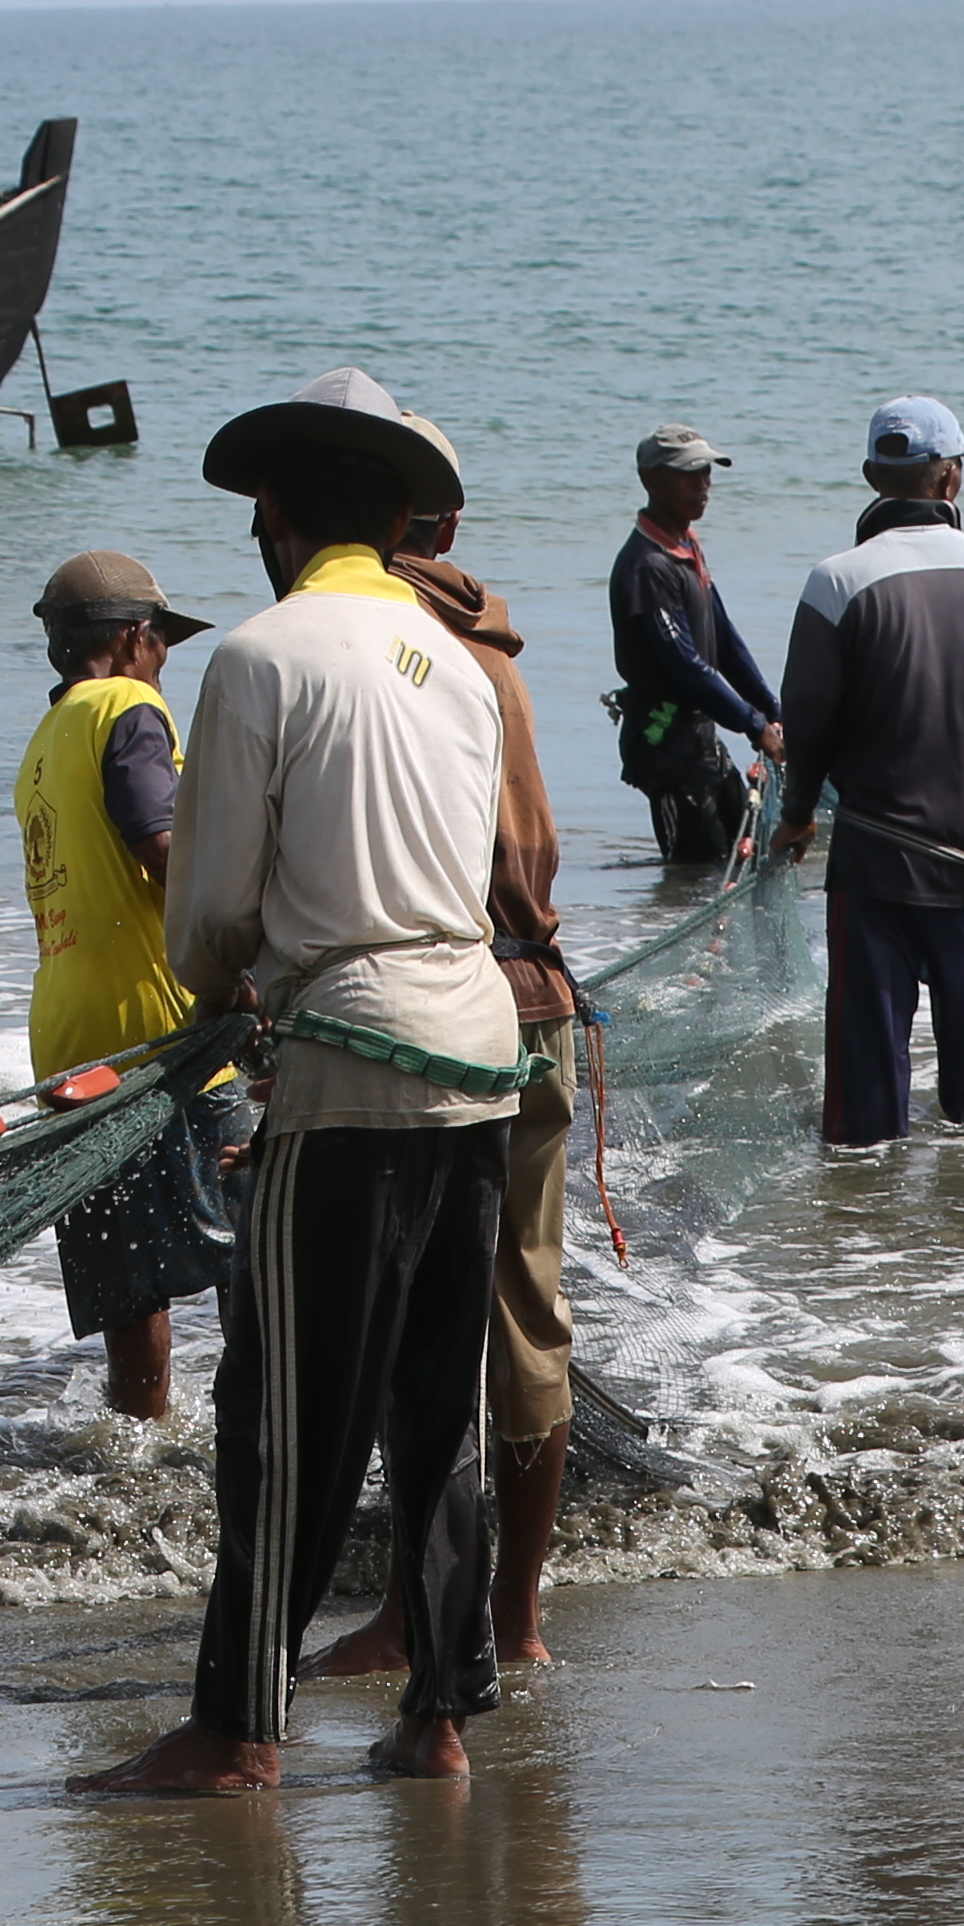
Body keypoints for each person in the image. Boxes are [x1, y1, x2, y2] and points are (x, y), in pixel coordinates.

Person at [74, 371, 521, 1798]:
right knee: (432, 1405)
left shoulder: (258, 660)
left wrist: (225, 1002)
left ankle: (237, 1728)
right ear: (401, 521)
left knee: (278, 1408)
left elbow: (210, 913)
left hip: (344, 1075)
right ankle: (440, 1714)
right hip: (477, 1064)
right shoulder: (460, 664)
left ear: (270, 517)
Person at [306, 440, 581, 1675]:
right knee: (524, 1311)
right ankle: (512, 1619)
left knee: (418, 1317)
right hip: (535, 997)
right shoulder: (498, 658)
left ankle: (421, 1615)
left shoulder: (390, 659)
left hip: (440, 1014)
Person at [770, 397, 964, 1143]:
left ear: (869, 478)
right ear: (950, 480)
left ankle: (864, 1240)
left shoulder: (835, 581)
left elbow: (810, 727)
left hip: (875, 866)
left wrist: (796, 816)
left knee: (865, 1111)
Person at [13, 549, 226, 1422]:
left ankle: (139, 1445)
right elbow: (164, 845)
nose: (166, 659)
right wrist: (241, 957)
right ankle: (255, 1445)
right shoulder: (132, 708)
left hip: (67, 1039)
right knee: (249, 1260)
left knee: (132, 1294)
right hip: (157, 1036)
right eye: (162, 641)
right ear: (134, 637)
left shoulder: (43, 740)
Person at [603, 426, 779, 879]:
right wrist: (754, 725)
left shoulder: (686, 545)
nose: (703, 485)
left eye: (705, 472)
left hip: (700, 739)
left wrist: (770, 708)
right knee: (693, 877)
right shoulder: (648, 566)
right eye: (688, 474)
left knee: (739, 857)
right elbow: (686, 667)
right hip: (665, 745)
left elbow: (723, 637)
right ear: (650, 480)